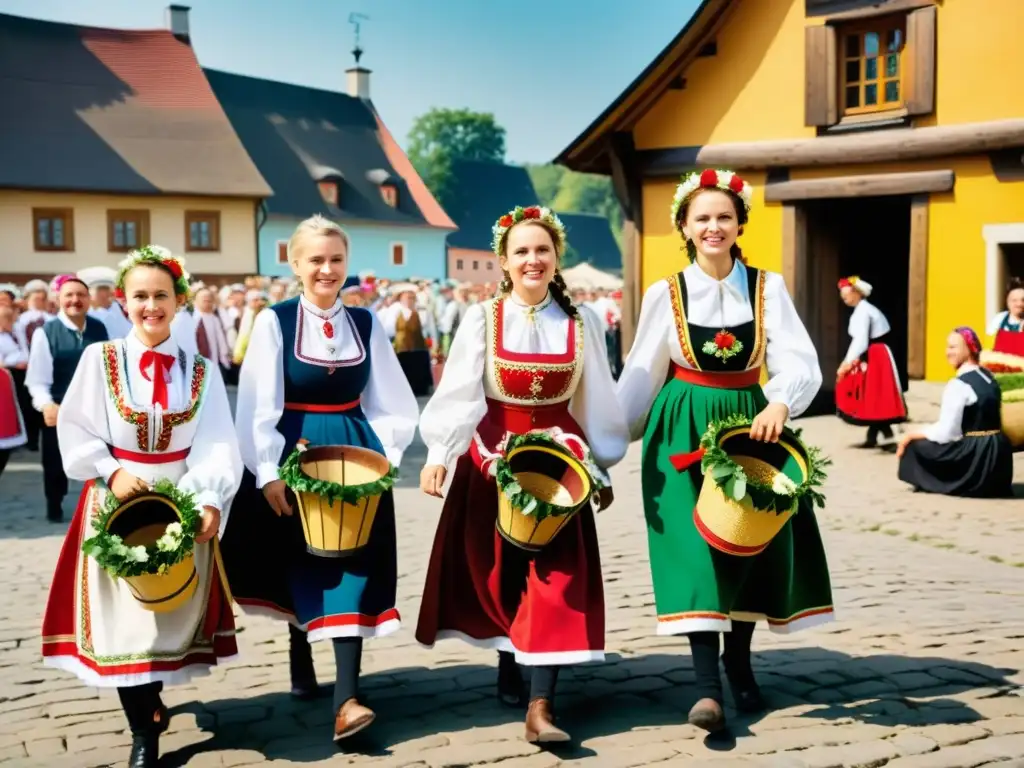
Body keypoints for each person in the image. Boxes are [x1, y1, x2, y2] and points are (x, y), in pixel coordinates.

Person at [616, 169, 833, 733]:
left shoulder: (769, 286)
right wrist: (603, 445)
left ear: (740, 224)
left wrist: (781, 403)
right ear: (684, 227)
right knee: (693, 552)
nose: (714, 226)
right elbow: (641, 374)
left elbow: (799, 361)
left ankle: (738, 662)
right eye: (702, 217)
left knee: (747, 544)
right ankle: (706, 688)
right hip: (682, 428)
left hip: (750, 426)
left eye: (724, 217)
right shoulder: (665, 293)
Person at [416, 205, 628, 744]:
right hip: (493, 457)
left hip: (558, 464)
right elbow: (461, 391)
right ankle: (511, 659)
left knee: (555, 578)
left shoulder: (582, 323)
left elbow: (597, 397)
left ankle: (541, 705)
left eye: (543, 250)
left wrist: (599, 466)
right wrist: (441, 451)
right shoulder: (483, 318)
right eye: (522, 252)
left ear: (557, 259)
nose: (533, 260)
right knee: (500, 573)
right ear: (504, 263)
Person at [40, 246, 241, 768]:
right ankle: (144, 727)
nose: (151, 306)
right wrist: (111, 469)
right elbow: (77, 426)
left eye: (161, 296)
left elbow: (217, 439)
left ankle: (151, 703)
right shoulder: (99, 359)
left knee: (164, 613)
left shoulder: (200, 369)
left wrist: (210, 495)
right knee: (123, 621)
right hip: (117, 500)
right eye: (140, 296)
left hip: (179, 496)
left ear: (179, 301)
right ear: (124, 303)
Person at [223, 215, 418, 743]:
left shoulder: (367, 324)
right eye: (316, 260)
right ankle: (298, 647)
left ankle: (347, 698)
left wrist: (385, 452)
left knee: (350, 564)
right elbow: (257, 404)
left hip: (354, 451)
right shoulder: (274, 322)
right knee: (300, 559)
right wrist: (266, 471)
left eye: (335, 260)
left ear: (347, 264)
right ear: (295, 264)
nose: (327, 270)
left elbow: (391, 400)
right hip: (293, 450)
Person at [25, 275, 109, 522]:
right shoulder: (46, 332)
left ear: (88, 299)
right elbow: (36, 379)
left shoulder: (99, 328)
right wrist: (46, 405)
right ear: (59, 299)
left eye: (80, 295)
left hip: (95, 408)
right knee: (54, 464)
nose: (75, 300)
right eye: (69, 295)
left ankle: (99, 508)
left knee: (100, 459)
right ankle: (55, 504)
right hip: (59, 407)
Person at [897, 327, 1014, 497]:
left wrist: (912, 435)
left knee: (915, 447)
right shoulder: (989, 376)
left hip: (976, 457)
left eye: (953, 347)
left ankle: (939, 482)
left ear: (969, 349)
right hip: (998, 457)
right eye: (947, 347)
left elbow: (948, 433)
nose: (948, 352)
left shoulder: (958, 385)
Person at [835, 276, 908, 446]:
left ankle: (886, 436)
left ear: (857, 293)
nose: (844, 297)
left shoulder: (863, 312)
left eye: (847, 293)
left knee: (877, 393)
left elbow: (860, 340)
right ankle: (875, 435)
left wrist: (846, 363)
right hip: (875, 353)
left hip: (877, 354)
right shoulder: (863, 310)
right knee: (874, 394)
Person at [987, 278, 1024, 357]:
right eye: (1014, 300)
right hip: (1001, 367)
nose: (1019, 304)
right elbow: (988, 347)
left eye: (1023, 300)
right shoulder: (999, 319)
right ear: (1007, 302)